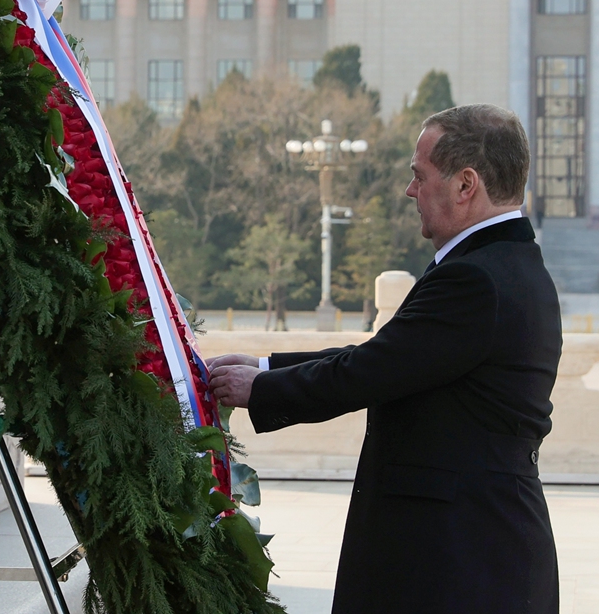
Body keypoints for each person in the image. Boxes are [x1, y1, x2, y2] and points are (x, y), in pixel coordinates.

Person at [209, 104, 560, 614]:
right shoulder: (503, 264)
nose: (409, 191)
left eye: (420, 177)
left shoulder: (477, 278)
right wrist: (266, 367)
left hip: (458, 559)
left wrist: (258, 389)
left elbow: (371, 371)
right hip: (473, 547)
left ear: (466, 185)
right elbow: (391, 357)